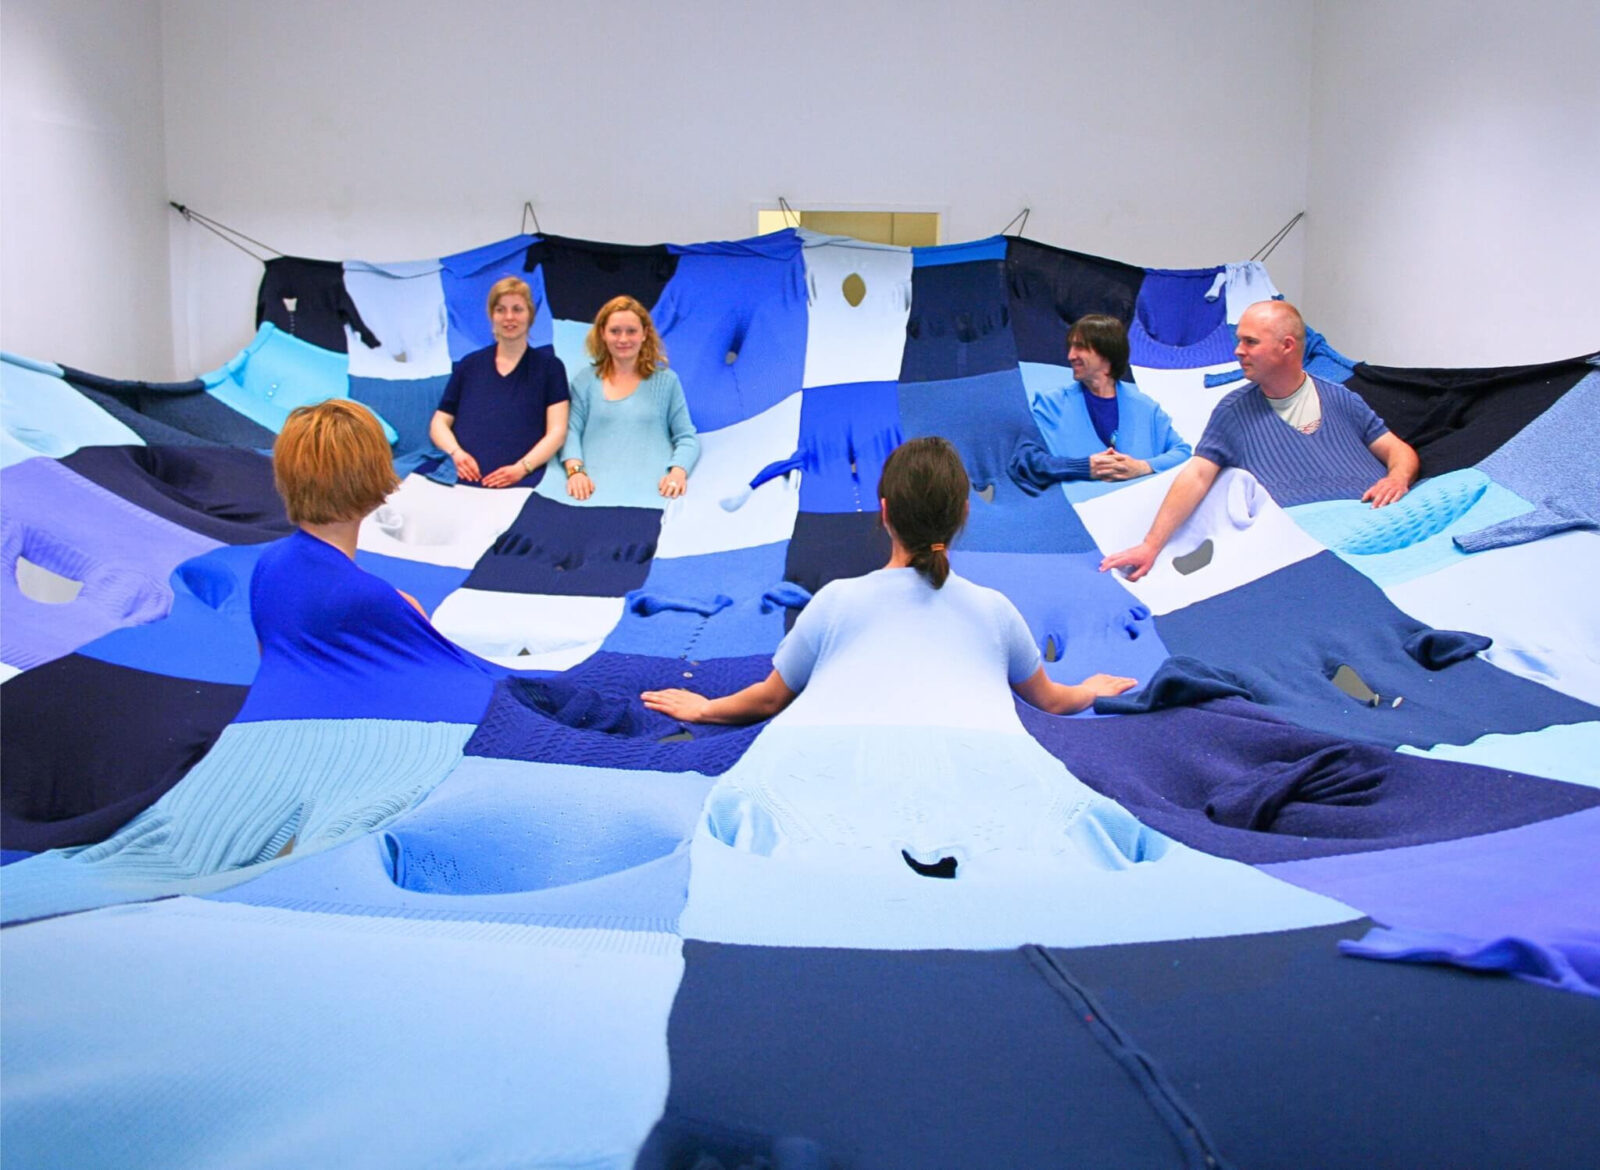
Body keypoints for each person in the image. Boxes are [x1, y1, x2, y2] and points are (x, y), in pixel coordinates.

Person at [643, 436, 1136, 726]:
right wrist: (1091, 689)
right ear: (964, 513)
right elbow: (1051, 699)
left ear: (883, 513)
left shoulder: (835, 603)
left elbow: (771, 698)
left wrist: (705, 709)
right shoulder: (995, 611)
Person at [1100, 300, 1420, 581]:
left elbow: (1397, 451)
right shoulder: (1233, 413)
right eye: (1239, 340)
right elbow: (1196, 476)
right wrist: (1151, 546)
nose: (1238, 351)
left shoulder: (1341, 399)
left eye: (1250, 342)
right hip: (1310, 546)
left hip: (1383, 524)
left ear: (1287, 346)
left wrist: (1397, 478)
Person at [242, 398, 499, 724]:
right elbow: (451, 690)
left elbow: (272, 663)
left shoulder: (269, 564)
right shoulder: (375, 599)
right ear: (374, 474)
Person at [429, 276, 569, 488]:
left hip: (523, 484)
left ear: (530, 314)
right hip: (459, 480)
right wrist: (456, 454)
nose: (509, 317)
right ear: (491, 315)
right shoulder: (469, 365)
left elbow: (557, 432)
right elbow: (439, 423)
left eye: (517, 309)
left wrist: (521, 469)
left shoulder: (550, 368)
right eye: (501, 309)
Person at [562, 295, 699, 503]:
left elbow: (687, 437)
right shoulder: (584, 381)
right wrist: (576, 472)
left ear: (645, 333)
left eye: (631, 331)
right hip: (589, 496)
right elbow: (571, 432)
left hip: (649, 496)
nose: (623, 339)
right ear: (602, 334)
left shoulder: (667, 381)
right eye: (615, 331)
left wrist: (677, 472)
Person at [1033, 313, 1190, 482]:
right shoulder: (1049, 405)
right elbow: (1031, 462)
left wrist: (1143, 467)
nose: (1071, 356)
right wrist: (1083, 467)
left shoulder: (1146, 409)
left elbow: (1183, 452)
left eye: (1080, 347)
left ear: (1107, 351)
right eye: (1070, 347)